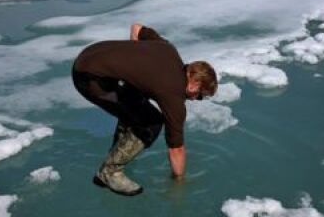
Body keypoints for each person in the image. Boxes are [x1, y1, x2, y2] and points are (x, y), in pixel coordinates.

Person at [71, 23, 218, 196]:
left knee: (135, 100)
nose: (196, 100)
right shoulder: (174, 97)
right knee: (152, 123)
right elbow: (176, 149)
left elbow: (136, 28)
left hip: (87, 55)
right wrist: (179, 181)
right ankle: (109, 172)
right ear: (194, 84)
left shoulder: (168, 49)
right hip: (90, 79)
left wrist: (133, 69)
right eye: (200, 96)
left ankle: (117, 151)